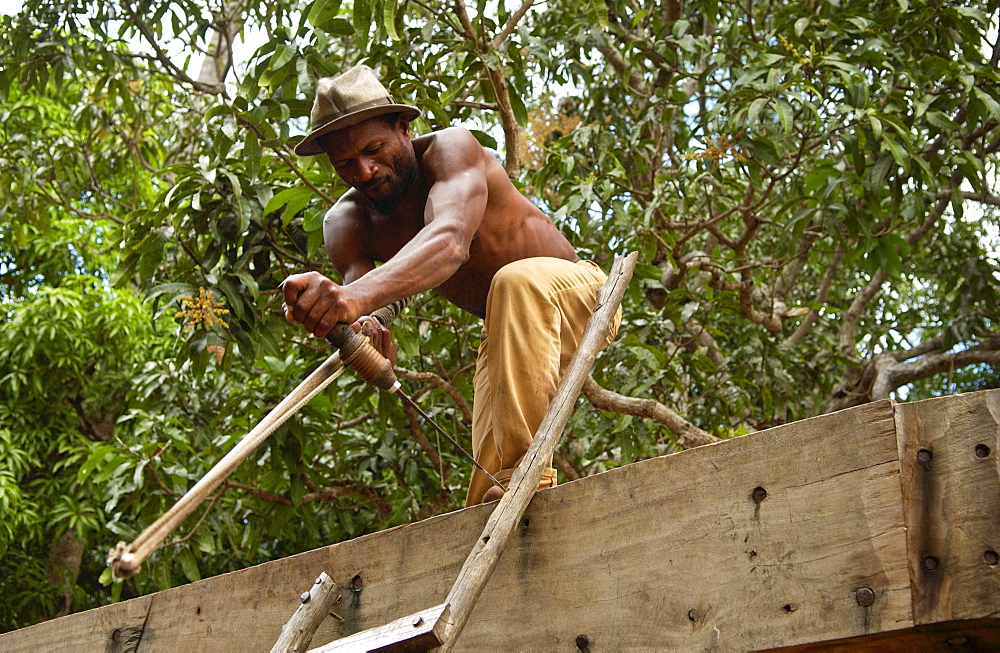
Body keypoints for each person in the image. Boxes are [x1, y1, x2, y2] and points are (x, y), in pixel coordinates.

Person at [281, 65, 619, 506]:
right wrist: (361, 331)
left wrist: (352, 299)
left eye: (374, 149)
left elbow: (451, 240)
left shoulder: (451, 150)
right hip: (508, 331)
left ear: (403, 127)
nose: (364, 171)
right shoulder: (347, 222)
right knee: (484, 489)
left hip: (581, 298)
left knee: (513, 282)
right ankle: (503, 513)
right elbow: (363, 300)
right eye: (345, 164)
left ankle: (527, 479)